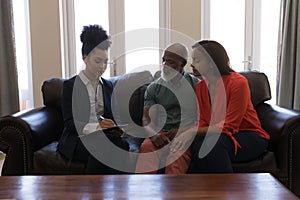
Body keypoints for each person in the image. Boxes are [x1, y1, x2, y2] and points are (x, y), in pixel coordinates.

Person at [170, 40, 270, 173]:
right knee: (197, 145)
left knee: (213, 144)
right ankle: (207, 190)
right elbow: (203, 121)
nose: (192, 64)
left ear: (211, 63)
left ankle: (225, 190)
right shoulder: (201, 86)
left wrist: (192, 131)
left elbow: (230, 125)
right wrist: (185, 133)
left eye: (197, 60)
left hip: (248, 135)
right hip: (219, 135)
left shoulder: (238, 83)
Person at [57, 24, 129, 174]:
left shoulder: (108, 86)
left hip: (103, 138)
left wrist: (116, 128)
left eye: (105, 62)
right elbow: (70, 124)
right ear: (85, 58)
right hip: (77, 140)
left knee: (121, 145)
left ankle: (115, 192)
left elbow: (112, 116)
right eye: (98, 61)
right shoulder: (71, 86)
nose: (102, 67)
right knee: (101, 147)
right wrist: (97, 127)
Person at [135, 43, 199, 174]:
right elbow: (146, 118)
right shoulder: (153, 88)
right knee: (146, 150)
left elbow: (203, 118)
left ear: (183, 63)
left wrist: (182, 131)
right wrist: (154, 135)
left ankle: (174, 194)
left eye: (170, 62)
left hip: (184, 134)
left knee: (176, 159)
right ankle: (143, 193)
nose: (164, 65)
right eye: (163, 60)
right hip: (161, 133)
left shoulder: (197, 86)